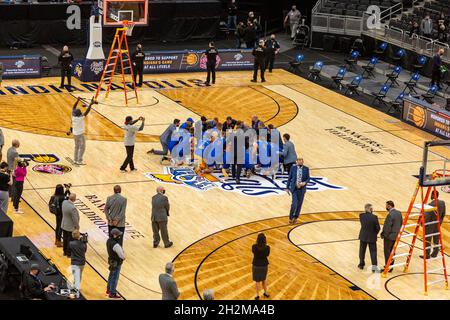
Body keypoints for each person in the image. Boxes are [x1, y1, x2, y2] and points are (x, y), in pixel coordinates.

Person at [67, 97, 95, 166]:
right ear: (79, 114)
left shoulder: (73, 116)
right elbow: (87, 112)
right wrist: (91, 104)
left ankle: (75, 159)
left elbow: (74, 107)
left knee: (76, 146)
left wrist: (77, 100)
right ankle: (79, 160)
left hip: (75, 134)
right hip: (80, 134)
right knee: (82, 147)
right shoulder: (80, 118)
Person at [421, 191, 446, 259]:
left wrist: (423, 223)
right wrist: (439, 223)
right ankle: (435, 253)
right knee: (436, 239)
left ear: (433, 195)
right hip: (437, 224)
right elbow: (443, 215)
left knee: (427, 240)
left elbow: (427, 216)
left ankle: (427, 255)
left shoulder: (431, 204)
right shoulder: (442, 203)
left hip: (429, 225)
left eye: (431, 195)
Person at [286, 158, 310, 224]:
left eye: (301, 162)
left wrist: (305, 182)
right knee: (294, 204)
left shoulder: (306, 168)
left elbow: (308, 178)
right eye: (298, 162)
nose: (299, 163)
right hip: (294, 189)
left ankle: (295, 217)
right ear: (296, 162)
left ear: (303, 162)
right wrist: (287, 187)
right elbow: (289, 178)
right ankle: (291, 217)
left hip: (302, 189)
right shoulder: (293, 168)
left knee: (299, 204)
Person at [380, 200, 402, 271]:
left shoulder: (390, 215)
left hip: (389, 236)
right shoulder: (399, 213)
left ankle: (387, 267)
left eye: (386, 206)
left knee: (387, 251)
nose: (386, 207)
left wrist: (383, 234)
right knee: (392, 251)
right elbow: (401, 223)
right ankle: (391, 266)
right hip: (396, 235)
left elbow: (387, 227)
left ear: (389, 206)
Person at [358, 204, 380, 272]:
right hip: (372, 237)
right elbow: (378, 228)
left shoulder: (361, 216)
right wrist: (374, 233)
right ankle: (374, 268)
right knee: (373, 252)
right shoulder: (374, 217)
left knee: (362, 251)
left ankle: (361, 265)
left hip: (363, 236)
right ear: (371, 209)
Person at [106, 228, 125, 299]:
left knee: (111, 276)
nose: (119, 236)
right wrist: (123, 257)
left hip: (111, 261)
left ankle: (108, 290)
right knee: (115, 278)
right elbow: (122, 255)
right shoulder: (116, 245)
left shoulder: (108, 241)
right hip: (116, 262)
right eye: (118, 235)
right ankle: (112, 293)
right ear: (114, 235)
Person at [69, 230, 87, 297]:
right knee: (79, 276)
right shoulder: (83, 244)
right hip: (82, 262)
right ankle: (76, 289)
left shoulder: (71, 243)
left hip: (74, 262)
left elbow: (69, 251)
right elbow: (85, 251)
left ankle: (75, 291)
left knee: (75, 277)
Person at [252, 233, 270, 300]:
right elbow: (267, 255)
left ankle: (257, 295)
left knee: (257, 281)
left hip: (256, 265)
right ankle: (266, 293)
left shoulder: (254, 246)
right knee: (264, 280)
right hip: (264, 265)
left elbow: (253, 252)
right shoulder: (267, 247)